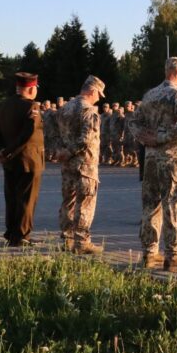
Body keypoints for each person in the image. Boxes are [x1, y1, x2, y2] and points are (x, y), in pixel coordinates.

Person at [130, 57, 177, 272]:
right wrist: (161, 137)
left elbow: (133, 122)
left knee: (150, 205)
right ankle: (173, 256)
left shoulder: (149, 95)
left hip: (150, 159)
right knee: (173, 204)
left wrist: (145, 138)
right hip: (171, 158)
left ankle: (149, 254)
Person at [0, 72, 46, 247]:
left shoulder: (3, 105)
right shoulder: (31, 107)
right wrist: (8, 151)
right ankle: (22, 235)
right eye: (35, 88)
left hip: (9, 161)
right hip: (28, 160)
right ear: (30, 89)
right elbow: (27, 134)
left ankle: (11, 233)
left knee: (12, 197)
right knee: (26, 199)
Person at [57, 75, 105, 254]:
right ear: (92, 90)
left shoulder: (64, 109)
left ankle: (66, 239)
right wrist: (70, 151)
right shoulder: (89, 111)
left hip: (67, 165)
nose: (99, 98)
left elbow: (53, 133)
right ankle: (81, 242)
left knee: (68, 202)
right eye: (98, 94)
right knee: (85, 203)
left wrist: (61, 151)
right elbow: (86, 138)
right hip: (85, 165)